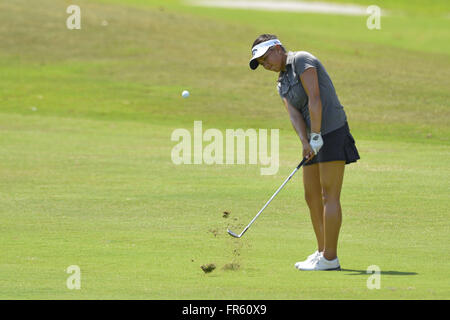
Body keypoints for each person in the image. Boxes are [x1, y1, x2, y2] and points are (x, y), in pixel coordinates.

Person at [249, 34, 360, 271]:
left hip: (331, 130)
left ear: (277, 48)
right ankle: (321, 251)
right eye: (260, 63)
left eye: (265, 58)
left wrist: (318, 135)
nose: (265, 65)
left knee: (328, 194)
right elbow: (294, 114)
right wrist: (305, 141)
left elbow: (315, 99)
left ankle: (330, 258)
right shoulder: (281, 82)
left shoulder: (301, 60)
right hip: (313, 138)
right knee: (311, 196)